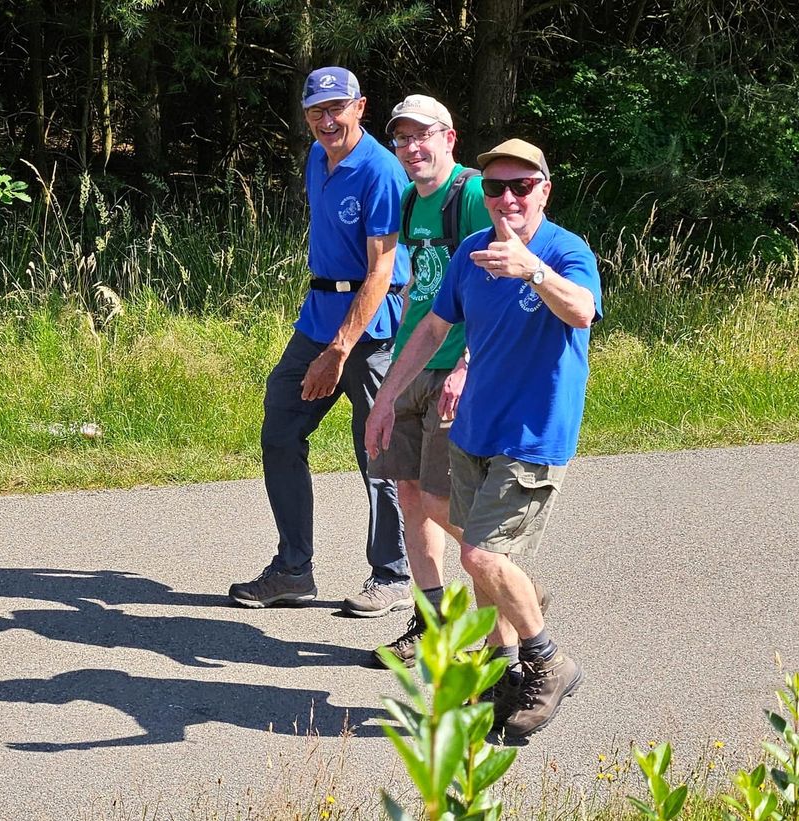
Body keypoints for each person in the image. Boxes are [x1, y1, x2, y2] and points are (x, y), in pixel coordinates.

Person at [364, 138, 602, 737]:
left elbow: (580, 311)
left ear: (544, 190)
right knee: (487, 565)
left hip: (532, 438)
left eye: (520, 186)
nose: (506, 199)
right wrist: (386, 398)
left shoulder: (565, 251)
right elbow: (430, 330)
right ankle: (500, 676)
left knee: (480, 556)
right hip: (474, 432)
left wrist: (534, 270)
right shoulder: (471, 251)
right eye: (495, 188)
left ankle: (548, 660)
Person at [229, 67, 412, 616]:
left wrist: (339, 349)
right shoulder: (316, 158)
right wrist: (325, 340)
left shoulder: (381, 170)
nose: (327, 120)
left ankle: (394, 573)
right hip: (319, 315)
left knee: (377, 445)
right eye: (316, 111)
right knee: (281, 426)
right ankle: (293, 569)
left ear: (361, 106)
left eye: (337, 108)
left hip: (372, 324)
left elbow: (381, 271)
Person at [365, 94, 491, 666]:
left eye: (424, 136)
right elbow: (418, 294)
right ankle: (433, 620)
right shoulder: (411, 201)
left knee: (443, 497)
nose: (413, 148)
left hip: (456, 368)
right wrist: (388, 388)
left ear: (449, 138)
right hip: (414, 359)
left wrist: (468, 367)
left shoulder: (470, 196)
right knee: (409, 493)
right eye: (403, 139)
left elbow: (498, 288)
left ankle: (505, 588)